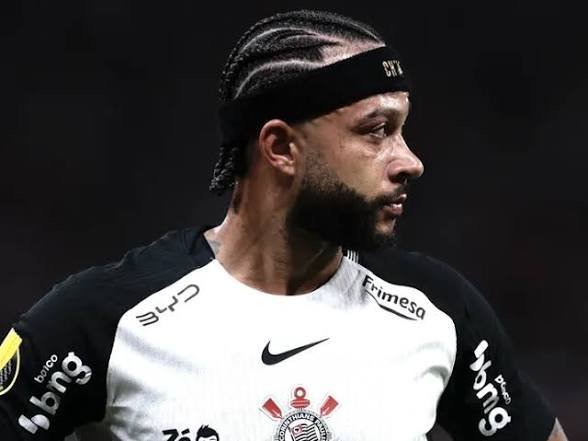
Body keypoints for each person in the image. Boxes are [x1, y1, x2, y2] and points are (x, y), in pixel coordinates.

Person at [0, 9, 568, 441]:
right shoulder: (101, 322)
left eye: (402, 131)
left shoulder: (440, 312)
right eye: (376, 130)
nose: (410, 161)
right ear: (280, 147)